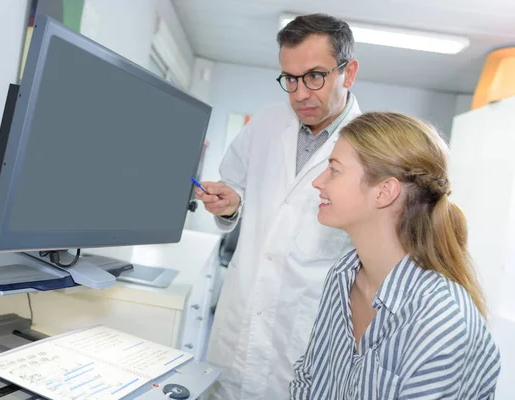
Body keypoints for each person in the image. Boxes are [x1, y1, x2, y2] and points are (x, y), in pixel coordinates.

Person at [195, 13, 361, 400]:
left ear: (348, 73)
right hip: (239, 324)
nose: (300, 93)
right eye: (290, 78)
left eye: (315, 76)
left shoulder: (373, 146)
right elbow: (235, 190)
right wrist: (230, 205)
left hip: (305, 339)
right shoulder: (266, 125)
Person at [289, 112, 501, 399]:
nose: (317, 182)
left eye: (334, 169)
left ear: (384, 192)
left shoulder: (442, 321)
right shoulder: (343, 275)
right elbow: (309, 379)